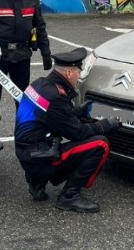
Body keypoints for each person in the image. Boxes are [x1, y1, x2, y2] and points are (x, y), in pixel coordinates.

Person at [13, 48, 120, 213]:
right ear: (69, 73)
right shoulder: (55, 97)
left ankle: (36, 181)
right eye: (79, 72)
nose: (80, 76)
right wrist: (104, 125)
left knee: (59, 136)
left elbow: (49, 117)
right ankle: (69, 197)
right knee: (100, 144)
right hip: (40, 158)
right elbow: (77, 133)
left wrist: (77, 111)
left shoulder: (40, 84)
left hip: (29, 153)